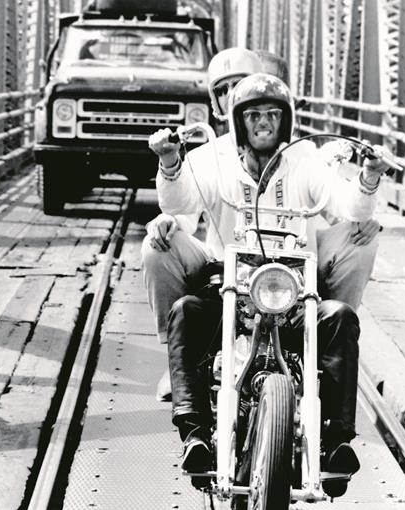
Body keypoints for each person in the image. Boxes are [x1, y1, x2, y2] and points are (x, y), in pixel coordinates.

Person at [146, 73, 395, 497]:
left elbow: (344, 201)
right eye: (255, 115)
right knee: (187, 308)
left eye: (273, 115)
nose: (263, 123)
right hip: (231, 287)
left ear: (286, 121)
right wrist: (170, 161)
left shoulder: (305, 162)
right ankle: (195, 434)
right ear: (240, 121)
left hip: (293, 290)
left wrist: (369, 176)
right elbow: (180, 200)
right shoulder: (218, 159)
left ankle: (335, 443)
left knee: (339, 316)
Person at [143, 48, 381, 403]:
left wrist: (366, 189)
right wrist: (169, 189)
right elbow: (183, 208)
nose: (233, 97)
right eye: (224, 91)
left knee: (363, 238)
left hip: (293, 267)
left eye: (244, 88)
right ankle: (178, 358)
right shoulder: (210, 152)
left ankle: (331, 346)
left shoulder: (302, 156)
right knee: (156, 245)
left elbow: (341, 204)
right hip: (226, 267)